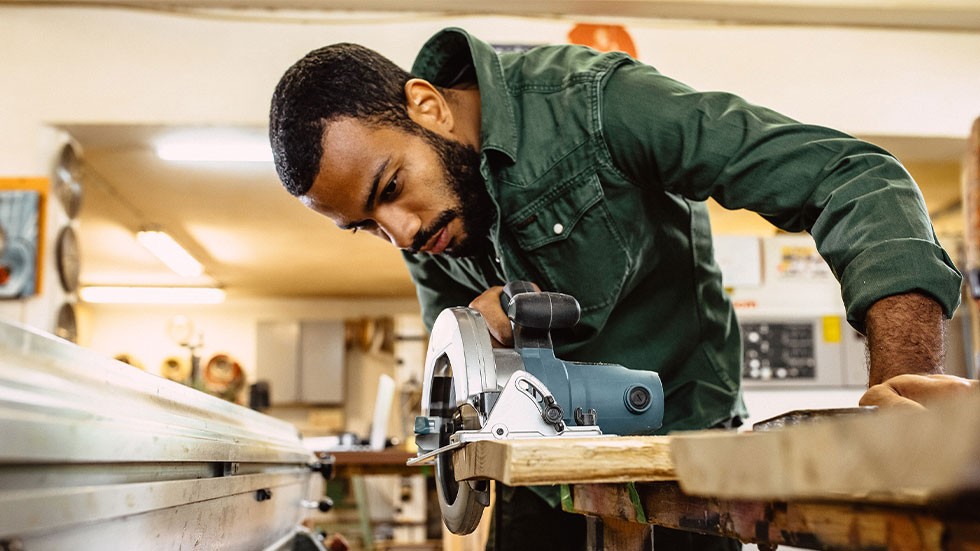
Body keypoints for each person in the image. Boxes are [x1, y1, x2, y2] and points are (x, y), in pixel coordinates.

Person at [269, 27, 977, 550]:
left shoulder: (596, 105)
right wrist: (471, 326)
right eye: (367, 226)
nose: (400, 232)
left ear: (427, 105)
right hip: (542, 485)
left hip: (688, 472)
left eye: (391, 189)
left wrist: (907, 390)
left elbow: (852, 179)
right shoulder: (427, 222)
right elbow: (456, 369)